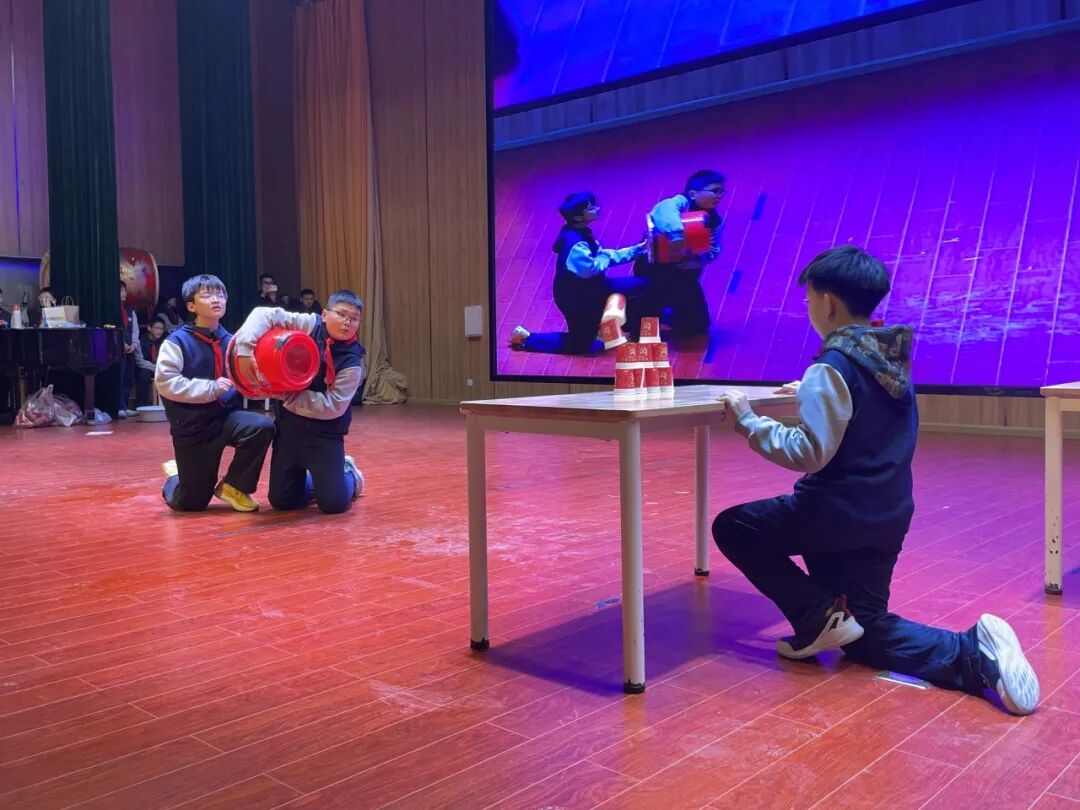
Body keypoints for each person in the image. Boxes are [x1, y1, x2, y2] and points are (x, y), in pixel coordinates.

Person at [712, 245, 1039, 716]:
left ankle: (816, 614)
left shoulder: (831, 366)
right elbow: (862, 408)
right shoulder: (888, 358)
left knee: (735, 526)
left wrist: (747, 419)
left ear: (828, 302)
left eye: (809, 299)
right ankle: (972, 655)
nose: (808, 308)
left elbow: (808, 452)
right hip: (886, 515)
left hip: (835, 513)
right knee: (861, 632)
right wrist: (809, 393)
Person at [233, 290, 366, 514]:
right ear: (324, 314)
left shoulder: (352, 362)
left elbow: (333, 406)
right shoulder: (309, 324)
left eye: (354, 318)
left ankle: (349, 474)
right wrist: (245, 350)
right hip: (289, 431)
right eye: (342, 314)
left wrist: (285, 394)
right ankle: (322, 482)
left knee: (333, 505)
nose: (347, 322)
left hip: (325, 436)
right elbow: (263, 314)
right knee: (282, 501)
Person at [155, 274, 275, 513]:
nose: (216, 300)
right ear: (191, 306)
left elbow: (243, 379)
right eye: (207, 295)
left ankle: (234, 486)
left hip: (225, 419)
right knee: (192, 503)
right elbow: (166, 382)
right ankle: (176, 477)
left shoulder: (233, 341)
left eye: (220, 295)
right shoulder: (177, 341)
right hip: (192, 427)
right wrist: (210, 388)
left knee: (262, 426)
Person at [509, 191, 647, 354]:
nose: (597, 208)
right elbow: (592, 268)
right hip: (577, 300)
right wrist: (606, 257)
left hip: (593, 289)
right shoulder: (575, 244)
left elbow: (603, 256)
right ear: (579, 217)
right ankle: (526, 338)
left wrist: (636, 251)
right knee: (579, 344)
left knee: (640, 286)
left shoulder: (580, 232)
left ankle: (628, 328)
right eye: (591, 208)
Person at [637, 169, 725, 339]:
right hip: (653, 271)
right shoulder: (675, 204)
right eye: (715, 191)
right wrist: (678, 236)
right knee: (644, 326)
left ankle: (671, 309)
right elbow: (665, 214)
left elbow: (713, 250)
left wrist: (695, 261)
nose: (719, 196)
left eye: (722, 192)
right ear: (693, 194)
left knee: (698, 325)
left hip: (685, 275)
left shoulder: (714, 220)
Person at [118, 281, 139, 418]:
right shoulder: (112, 310)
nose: (124, 293)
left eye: (125, 291)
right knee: (119, 378)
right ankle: (119, 407)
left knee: (129, 378)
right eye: (121, 291)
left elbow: (135, 330)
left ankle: (125, 405)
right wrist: (122, 344)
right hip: (117, 351)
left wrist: (134, 344)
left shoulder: (130, 310)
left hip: (130, 350)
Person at [135, 317, 167, 406]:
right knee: (144, 374)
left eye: (162, 329)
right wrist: (156, 368)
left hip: (160, 368)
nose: (159, 331)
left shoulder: (164, 342)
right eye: (157, 328)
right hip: (145, 368)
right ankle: (142, 405)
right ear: (149, 328)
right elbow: (140, 362)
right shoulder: (141, 341)